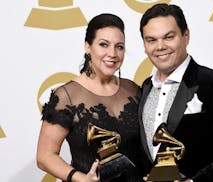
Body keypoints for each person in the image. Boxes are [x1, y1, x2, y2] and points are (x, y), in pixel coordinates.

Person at [138, 3, 213, 182]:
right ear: (145, 45)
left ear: (186, 36)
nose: (160, 46)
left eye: (169, 37)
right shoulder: (145, 87)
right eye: (151, 40)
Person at [37, 13, 141, 182]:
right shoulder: (67, 96)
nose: (112, 53)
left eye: (119, 47)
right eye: (103, 45)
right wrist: (80, 178)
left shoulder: (133, 89)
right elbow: (44, 156)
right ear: (87, 46)